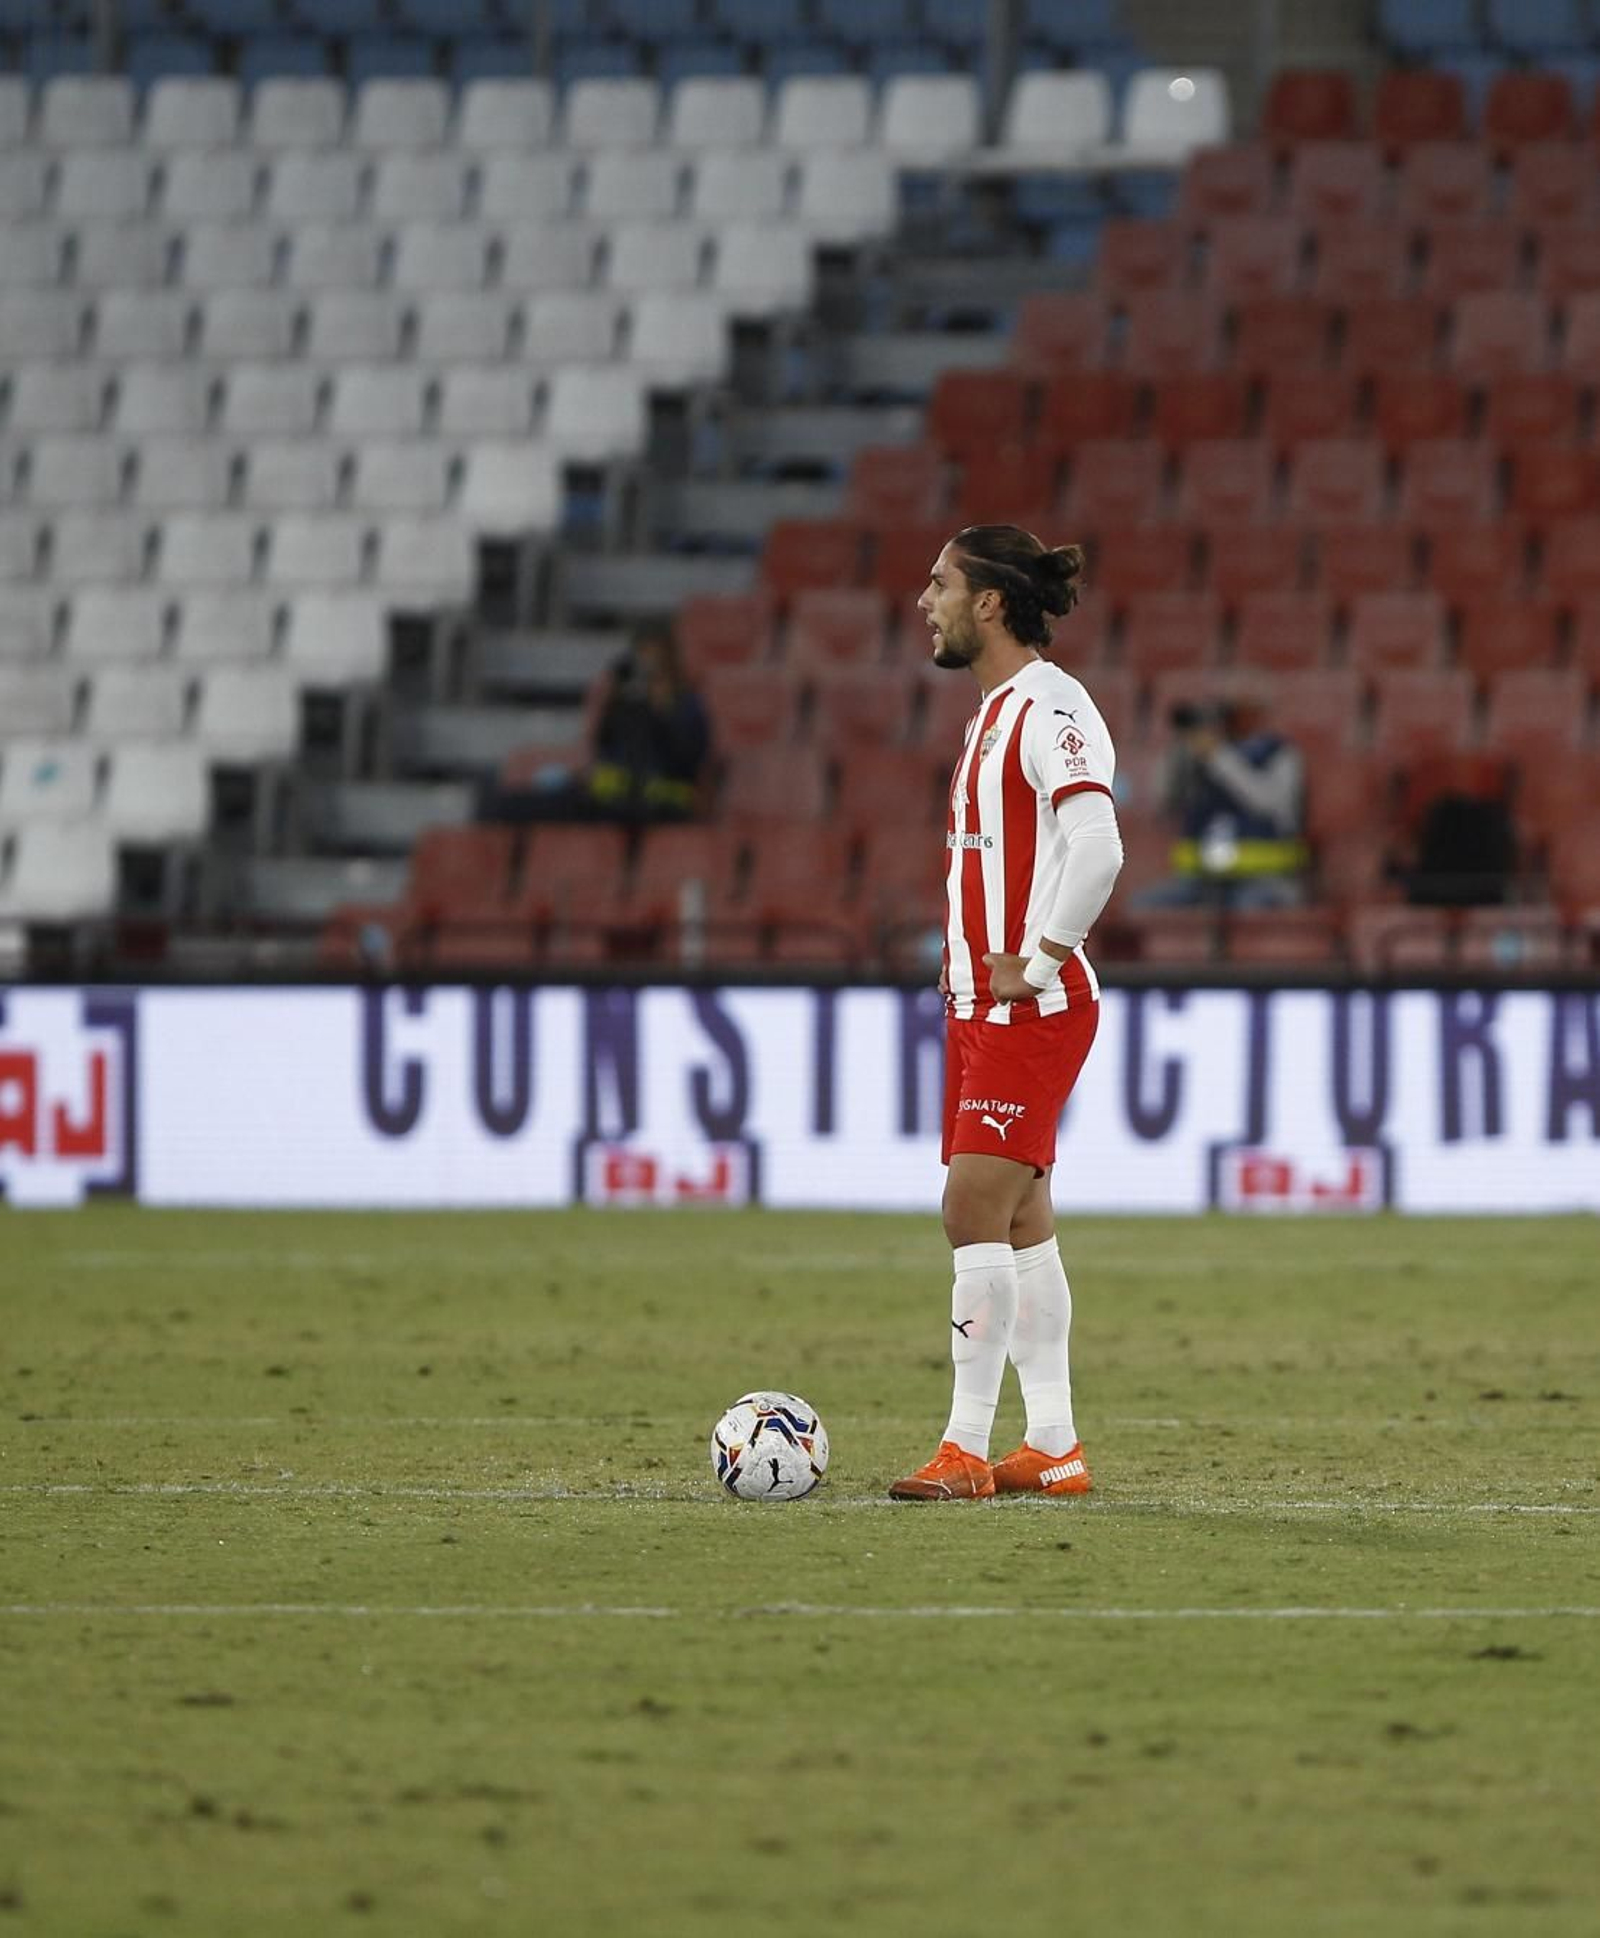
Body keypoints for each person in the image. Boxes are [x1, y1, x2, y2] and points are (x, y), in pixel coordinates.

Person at [889, 525, 1124, 1503]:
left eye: (939, 583)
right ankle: (1055, 1445)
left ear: (989, 602)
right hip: (979, 1007)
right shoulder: (993, 713)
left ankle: (963, 1448)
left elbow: (1098, 845)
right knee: (1021, 1220)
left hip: (1030, 1008)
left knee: (969, 1209)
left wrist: (1041, 958)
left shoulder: (1052, 707)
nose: (923, 601)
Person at [479, 626, 711, 825]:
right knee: (502, 802)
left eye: (655, 663)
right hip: (607, 799)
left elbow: (685, 758)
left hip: (658, 805)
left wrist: (660, 709)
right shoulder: (624, 704)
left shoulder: (687, 706)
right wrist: (604, 702)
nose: (647, 672)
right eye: (641, 660)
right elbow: (597, 746)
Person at [1139, 698, 1308, 909]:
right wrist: (1179, 753)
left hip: (1263, 877)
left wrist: (1219, 756)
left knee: (1247, 908)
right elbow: (1164, 805)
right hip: (1201, 878)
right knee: (1144, 906)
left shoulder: (1278, 752)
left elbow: (1268, 804)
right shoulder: (1196, 756)